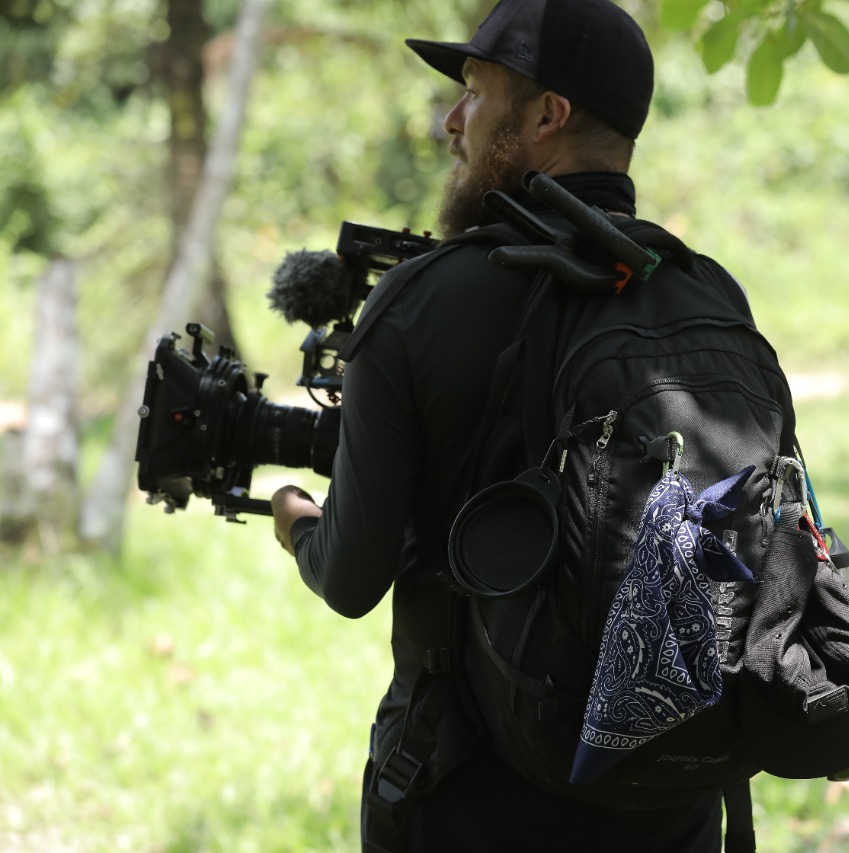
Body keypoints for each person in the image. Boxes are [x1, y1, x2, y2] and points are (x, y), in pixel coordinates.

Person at [270, 1, 727, 850]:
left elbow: (350, 578)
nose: (451, 121)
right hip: (672, 797)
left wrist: (295, 519)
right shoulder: (702, 292)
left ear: (547, 114)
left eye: (474, 92)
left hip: (467, 798)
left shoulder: (415, 303)